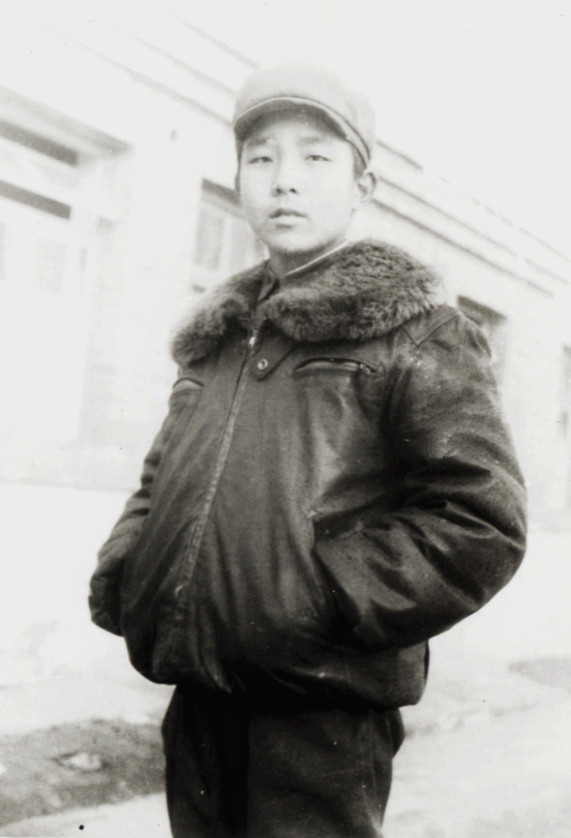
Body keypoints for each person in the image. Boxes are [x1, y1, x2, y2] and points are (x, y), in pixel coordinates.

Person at [89, 63, 527, 837]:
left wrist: (320, 599)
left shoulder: (416, 331)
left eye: (315, 157)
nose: (283, 179)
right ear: (238, 180)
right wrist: (128, 573)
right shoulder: (217, 338)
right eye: (260, 157)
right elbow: (159, 479)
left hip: (319, 714)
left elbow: (479, 519)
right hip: (198, 700)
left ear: (363, 187)